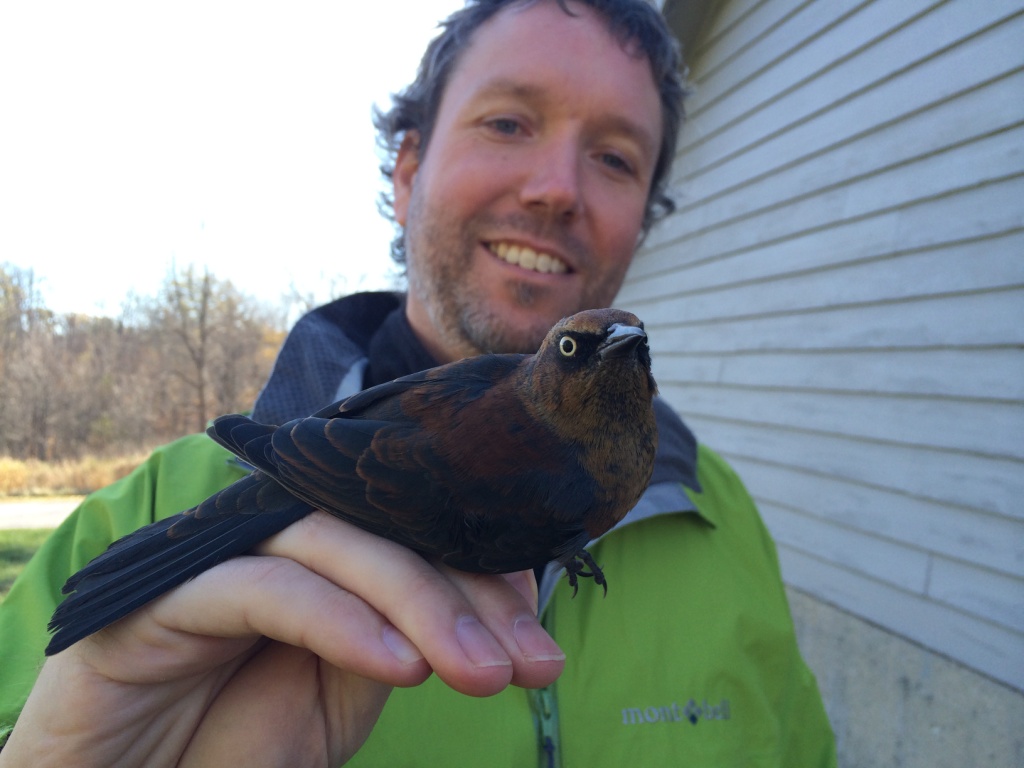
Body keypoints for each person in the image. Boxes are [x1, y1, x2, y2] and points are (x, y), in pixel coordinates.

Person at [0, 1, 837, 765]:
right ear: (406, 170)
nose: (556, 189)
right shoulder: (141, 505)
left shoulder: (728, 525)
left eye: (615, 158)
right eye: (508, 122)